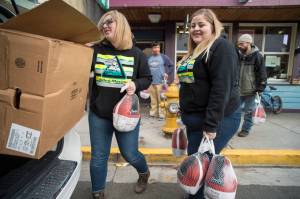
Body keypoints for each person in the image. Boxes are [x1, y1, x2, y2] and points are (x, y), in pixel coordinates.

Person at [176, 9, 241, 198]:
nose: (195, 29)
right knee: (196, 164)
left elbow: (221, 89)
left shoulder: (221, 48)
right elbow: (193, 85)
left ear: (213, 27)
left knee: (201, 169)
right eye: (193, 25)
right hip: (195, 119)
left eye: (201, 25)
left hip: (216, 119)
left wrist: (211, 125)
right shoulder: (196, 52)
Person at [89, 10, 152, 199]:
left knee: (130, 153)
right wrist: (78, 51)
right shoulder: (96, 50)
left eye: (111, 22)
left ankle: (144, 173)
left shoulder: (137, 54)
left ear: (121, 25)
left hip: (127, 115)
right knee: (99, 156)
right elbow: (78, 69)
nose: (105, 25)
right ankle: (97, 192)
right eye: (103, 23)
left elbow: (147, 78)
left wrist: (136, 84)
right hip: (99, 114)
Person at [237, 34, 267, 137]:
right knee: (233, 111)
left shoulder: (257, 56)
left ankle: (245, 130)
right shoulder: (238, 55)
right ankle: (232, 128)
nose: (239, 46)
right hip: (237, 89)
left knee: (248, 112)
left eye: (242, 43)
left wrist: (261, 87)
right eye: (238, 44)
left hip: (251, 90)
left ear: (249, 43)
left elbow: (262, 73)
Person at [148, 42, 174, 119]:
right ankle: (153, 114)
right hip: (151, 82)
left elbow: (171, 66)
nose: (156, 49)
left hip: (161, 82)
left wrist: (167, 73)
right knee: (153, 100)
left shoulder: (164, 57)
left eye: (158, 47)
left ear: (159, 48)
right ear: (152, 49)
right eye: (155, 47)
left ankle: (162, 115)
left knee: (161, 99)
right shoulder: (149, 58)